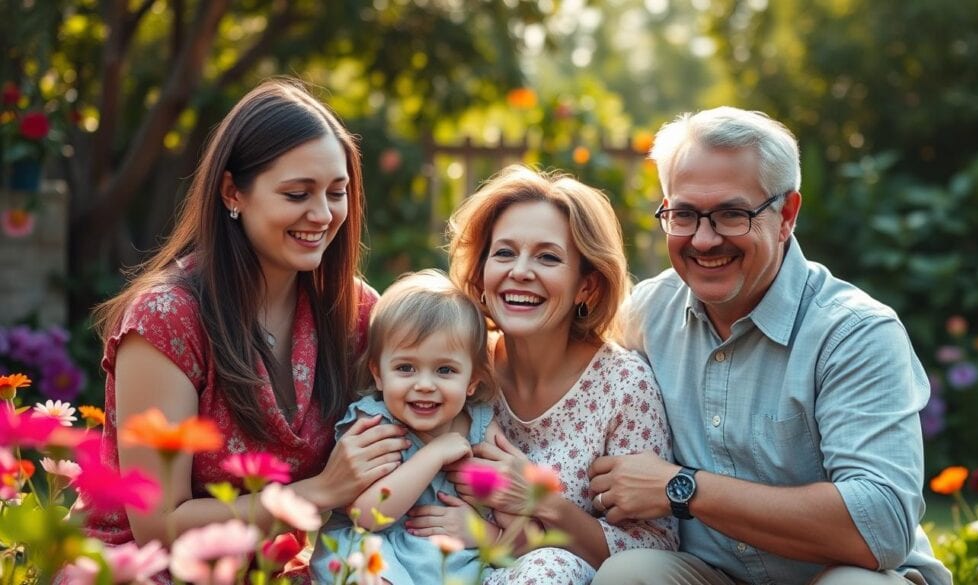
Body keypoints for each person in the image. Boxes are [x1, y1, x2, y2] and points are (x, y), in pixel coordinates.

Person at [587, 107, 952, 585]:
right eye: (684, 214)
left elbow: (880, 526)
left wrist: (683, 489)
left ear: (786, 215)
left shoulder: (856, 333)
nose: (704, 239)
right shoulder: (645, 314)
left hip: (842, 574)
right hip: (711, 575)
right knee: (629, 574)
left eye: (732, 214)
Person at [82, 79, 408, 583]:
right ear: (233, 192)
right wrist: (319, 492)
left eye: (337, 193)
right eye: (297, 194)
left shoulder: (355, 310)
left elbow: (435, 388)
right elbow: (158, 526)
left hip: (277, 570)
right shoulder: (167, 318)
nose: (322, 215)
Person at [445, 165, 679, 584]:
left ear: (586, 287)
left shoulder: (624, 388)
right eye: (504, 253)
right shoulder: (458, 366)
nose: (520, 271)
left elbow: (652, 551)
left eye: (548, 257)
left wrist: (543, 501)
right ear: (480, 274)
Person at [310, 269, 500, 585]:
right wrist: (433, 455)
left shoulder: (480, 424)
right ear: (379, 374)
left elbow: (506, 492)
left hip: (445, 556)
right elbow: (367, 517)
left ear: (472, 381)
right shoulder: (374, 425)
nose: (424, 385)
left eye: (445, 370)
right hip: (376, 547)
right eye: (406, 368)